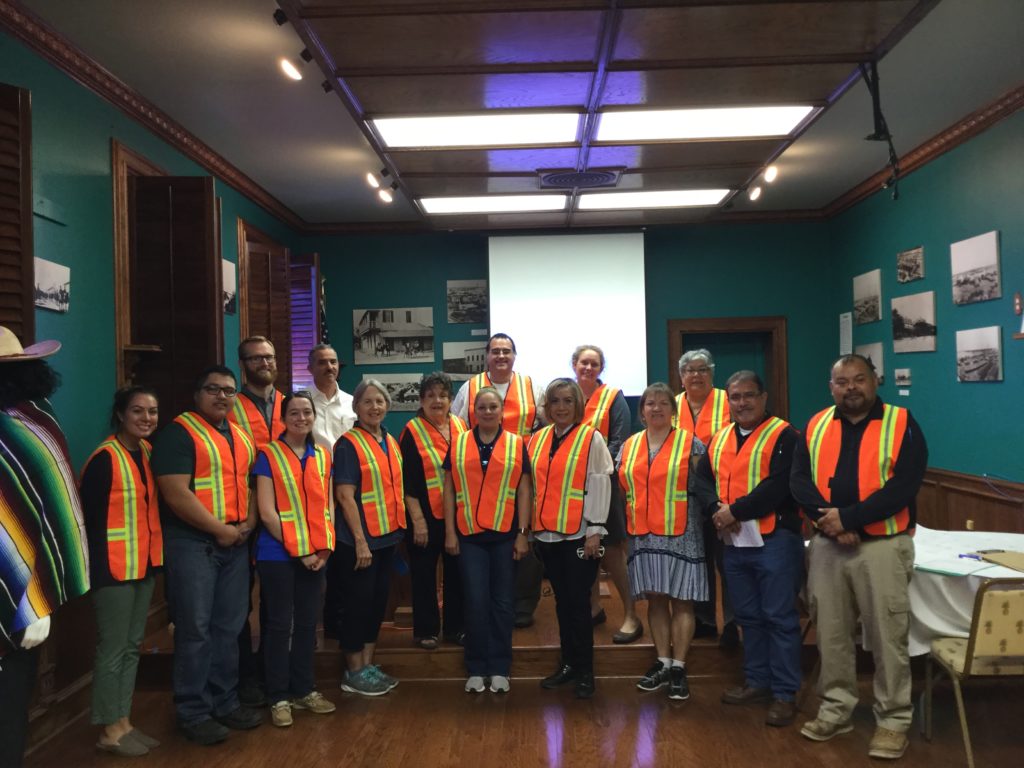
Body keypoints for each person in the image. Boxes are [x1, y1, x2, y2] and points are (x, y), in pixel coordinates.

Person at [791, 354, 927, 760]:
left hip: (883, 546)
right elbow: (799, 481)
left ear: (874, 381)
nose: (851, 387)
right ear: (831, 387)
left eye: (859, 379)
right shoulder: (815, 425)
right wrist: (830, 523)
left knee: (888, 637)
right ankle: (837, 709)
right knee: (830, 634)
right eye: (842, 381)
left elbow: (904, 486)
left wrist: (849, 518)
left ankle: (893, 719)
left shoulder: (902, 423)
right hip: (828, 546)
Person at [152, 365, 262, 745]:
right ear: (197, 394)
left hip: (235, 542)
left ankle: (224, 701)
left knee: (228, 628)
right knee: (195, 631)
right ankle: (193, 710)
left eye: (229, 391)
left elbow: (250, 484)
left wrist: (247, 523)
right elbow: (175, 493)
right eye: (213, 389)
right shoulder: (178, 434)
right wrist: (220, 530)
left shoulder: (241, 436)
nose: (222, 397)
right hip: (194, 544)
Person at [0, 328, 89, 768]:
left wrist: (35, 597)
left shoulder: (34, 423)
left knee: (9, 706)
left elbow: (52, 507)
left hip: (20, 597)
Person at [694, 371, 803, 727]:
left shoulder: (785, 435)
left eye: (749, 396)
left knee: (779, 618)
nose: (742, 403)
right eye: (736, 397)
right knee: (748, 617)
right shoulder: (721, 437)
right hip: (734, 544)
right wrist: (715, 511)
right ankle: (757, 681)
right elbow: (703, 479)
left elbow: (780, 485)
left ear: (764, 397)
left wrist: (735, 511)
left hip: (775, 541)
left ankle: (786, 693)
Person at [81, 386, 164, 755]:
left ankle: (124, 721)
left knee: (132, 647)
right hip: (112, 569)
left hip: (142, 563)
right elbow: (88, 521)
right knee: (113, 649)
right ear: (120, 415)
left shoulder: (146, 452)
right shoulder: (104, 458)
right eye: (138, 411)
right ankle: (108, 728)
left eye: (152, 412)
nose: (146, 419)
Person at [618, 382, 710, 701]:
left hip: (682, 533)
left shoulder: (691, 444)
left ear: (673, 410)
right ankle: (663, 660)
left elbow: (704, 488)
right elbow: (621, 489)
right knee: (656, 599)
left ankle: (679, 667)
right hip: (643, 534)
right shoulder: (628, 446)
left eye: (663, 403)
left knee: (682, 600)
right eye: (649, 403)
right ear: (641, 411)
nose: (656, 408)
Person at [253, 391, 336, 727]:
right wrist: (300, 550)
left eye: (307, 412)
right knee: (277, 626)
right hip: (277, 554)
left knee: (307, 625)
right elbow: (267, 512)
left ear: (314, 416)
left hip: (316, 555)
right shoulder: (268, 455)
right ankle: (278, 696)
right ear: (283, 419)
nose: (301, 418)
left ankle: (304, 689)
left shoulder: (323, 455)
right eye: (294, 413)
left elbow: (328, 506)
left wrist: (324, 549)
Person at [451, 333, 545, 628]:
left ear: (515, 355)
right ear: (487, 355)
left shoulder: (532, 386)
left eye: (507, 351)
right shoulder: (470, 387)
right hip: (482, 478)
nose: (501, 356)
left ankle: (523, 606)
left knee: (524, 541)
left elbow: (547, 423)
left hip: (524, 474)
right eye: (495, 351)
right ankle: (487, 607)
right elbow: (456, 424)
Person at [443, 386, 532, 694]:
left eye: (493, 407)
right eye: (482, 407)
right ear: (474, 411)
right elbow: (449, 488)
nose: (488, 412)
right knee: (476, 601)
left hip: (505, 535)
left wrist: (523, 534)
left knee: (503, 603)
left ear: (502, 410)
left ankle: (499, 667)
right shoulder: (458, 443)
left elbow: (524, 490)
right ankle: (476, 667)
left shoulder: (516, 444)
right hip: (468, 536)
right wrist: (450, 532)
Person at [530, 379, 613, 699]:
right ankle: (567, 664)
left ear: (577, 405)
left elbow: (600, 484)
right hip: (547, 536)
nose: (561, 407)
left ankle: (585, 671)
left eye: (567, 401)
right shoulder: (536, 440)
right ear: (547, 407)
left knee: (579, 605)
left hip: (580, 535)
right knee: (562, 604)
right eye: (555, 402)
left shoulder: (591, 438)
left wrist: (595, 530)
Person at [327, 379, 405, 696]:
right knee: (357, 606)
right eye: (368, 402)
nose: (375, 407)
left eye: (380, 401)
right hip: (359, 543)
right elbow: (345, 496)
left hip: (387, 538)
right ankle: (353, 671)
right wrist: (360, 540)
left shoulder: (390, 440)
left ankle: (368, 666)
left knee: (376, 606)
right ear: (356, 407)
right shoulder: (348, 444)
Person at [228, 335, 285, 706]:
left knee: (277, 599)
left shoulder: (289, 403)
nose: (265, 363)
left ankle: (272, 671)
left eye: (270, 356)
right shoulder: (230, 404)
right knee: (238, 600)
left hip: (284, 510)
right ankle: (243, 676)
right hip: (242, 510)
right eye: (256, 358)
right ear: (243, 363)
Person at [572, 344, 641, 644]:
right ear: (574, 364)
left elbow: (620, 442)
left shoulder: (614, 398)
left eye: (594, 363)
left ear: (601, 368)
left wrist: (594, 472)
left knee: (611, 552)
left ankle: (631, 615)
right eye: (583, 362)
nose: (588, 368)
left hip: (606, 485)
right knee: (581, 551)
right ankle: (594, 608)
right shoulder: (567, 395)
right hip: (572, 487)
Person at [399, 372, 468, 649]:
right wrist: (418, 521)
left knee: (457, 575)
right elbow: (406, 481)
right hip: (424, 517)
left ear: (451, 400)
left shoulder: (461, 426)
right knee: (424, 575)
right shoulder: (411, 431)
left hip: (458, 516)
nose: (437, 400)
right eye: (430, 396)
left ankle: (455, 629)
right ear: (421, 400)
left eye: (442, 395)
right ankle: (426, 630)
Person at [676, 348, 736, 647]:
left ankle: (733, 624)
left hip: (723, 492)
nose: (696, 375)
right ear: (681, 376)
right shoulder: (672, 405)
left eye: (703, 369)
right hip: (684, 496)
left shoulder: (729, 400)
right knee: (698, 559)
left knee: (727, 560)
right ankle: (705, 620)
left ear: (712, 373)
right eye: (690, 370)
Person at [306, 343, 356, 452]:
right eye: (322, 363)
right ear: (310, 369)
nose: (329, 367)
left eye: (333, 362)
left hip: (347, 467)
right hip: (313, 467)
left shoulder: (352, 403)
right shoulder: (300, 403)